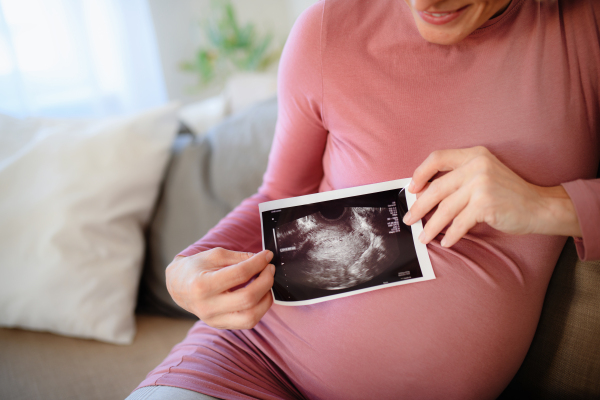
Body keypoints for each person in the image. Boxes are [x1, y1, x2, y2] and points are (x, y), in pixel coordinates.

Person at [128, 0, 600, 399]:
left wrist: (548, 204)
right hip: (249, 360)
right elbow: (277, 194)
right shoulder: (328, 29)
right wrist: (183, 269)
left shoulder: (582, 31)